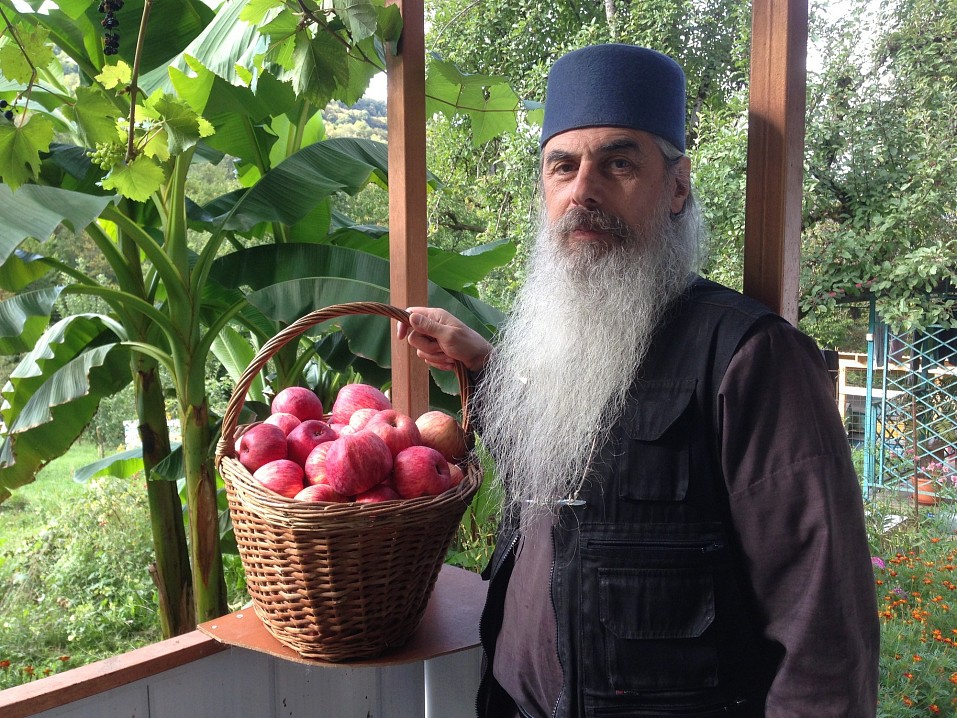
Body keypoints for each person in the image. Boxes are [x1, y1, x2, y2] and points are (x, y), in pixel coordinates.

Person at [398, 44, 879, 718]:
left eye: (618, 164)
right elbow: (560, 471)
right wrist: (483, 362)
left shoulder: (749, 358)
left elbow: (822, 629)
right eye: (562, 166)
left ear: (677, 186)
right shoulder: (561, 338)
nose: (583, 192)